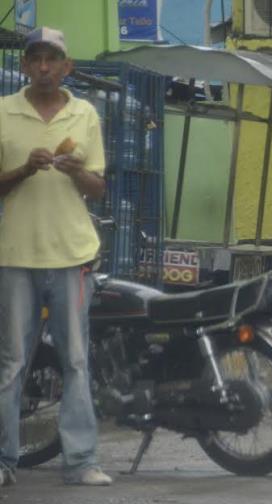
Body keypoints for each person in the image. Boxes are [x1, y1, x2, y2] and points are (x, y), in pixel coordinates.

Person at [0, 27, 112, 486]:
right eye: (36, 59)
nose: (44, 67)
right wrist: (25, 168)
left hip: (71, 254)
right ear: (25, 66)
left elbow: (99, 188)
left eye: (53, 59)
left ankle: (81, 460)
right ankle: (4, 460)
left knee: (76, 359)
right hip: (15, 254)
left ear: (67, 67)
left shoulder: (85, 115)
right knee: (12, 361)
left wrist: (77, 171)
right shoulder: (4, 113)